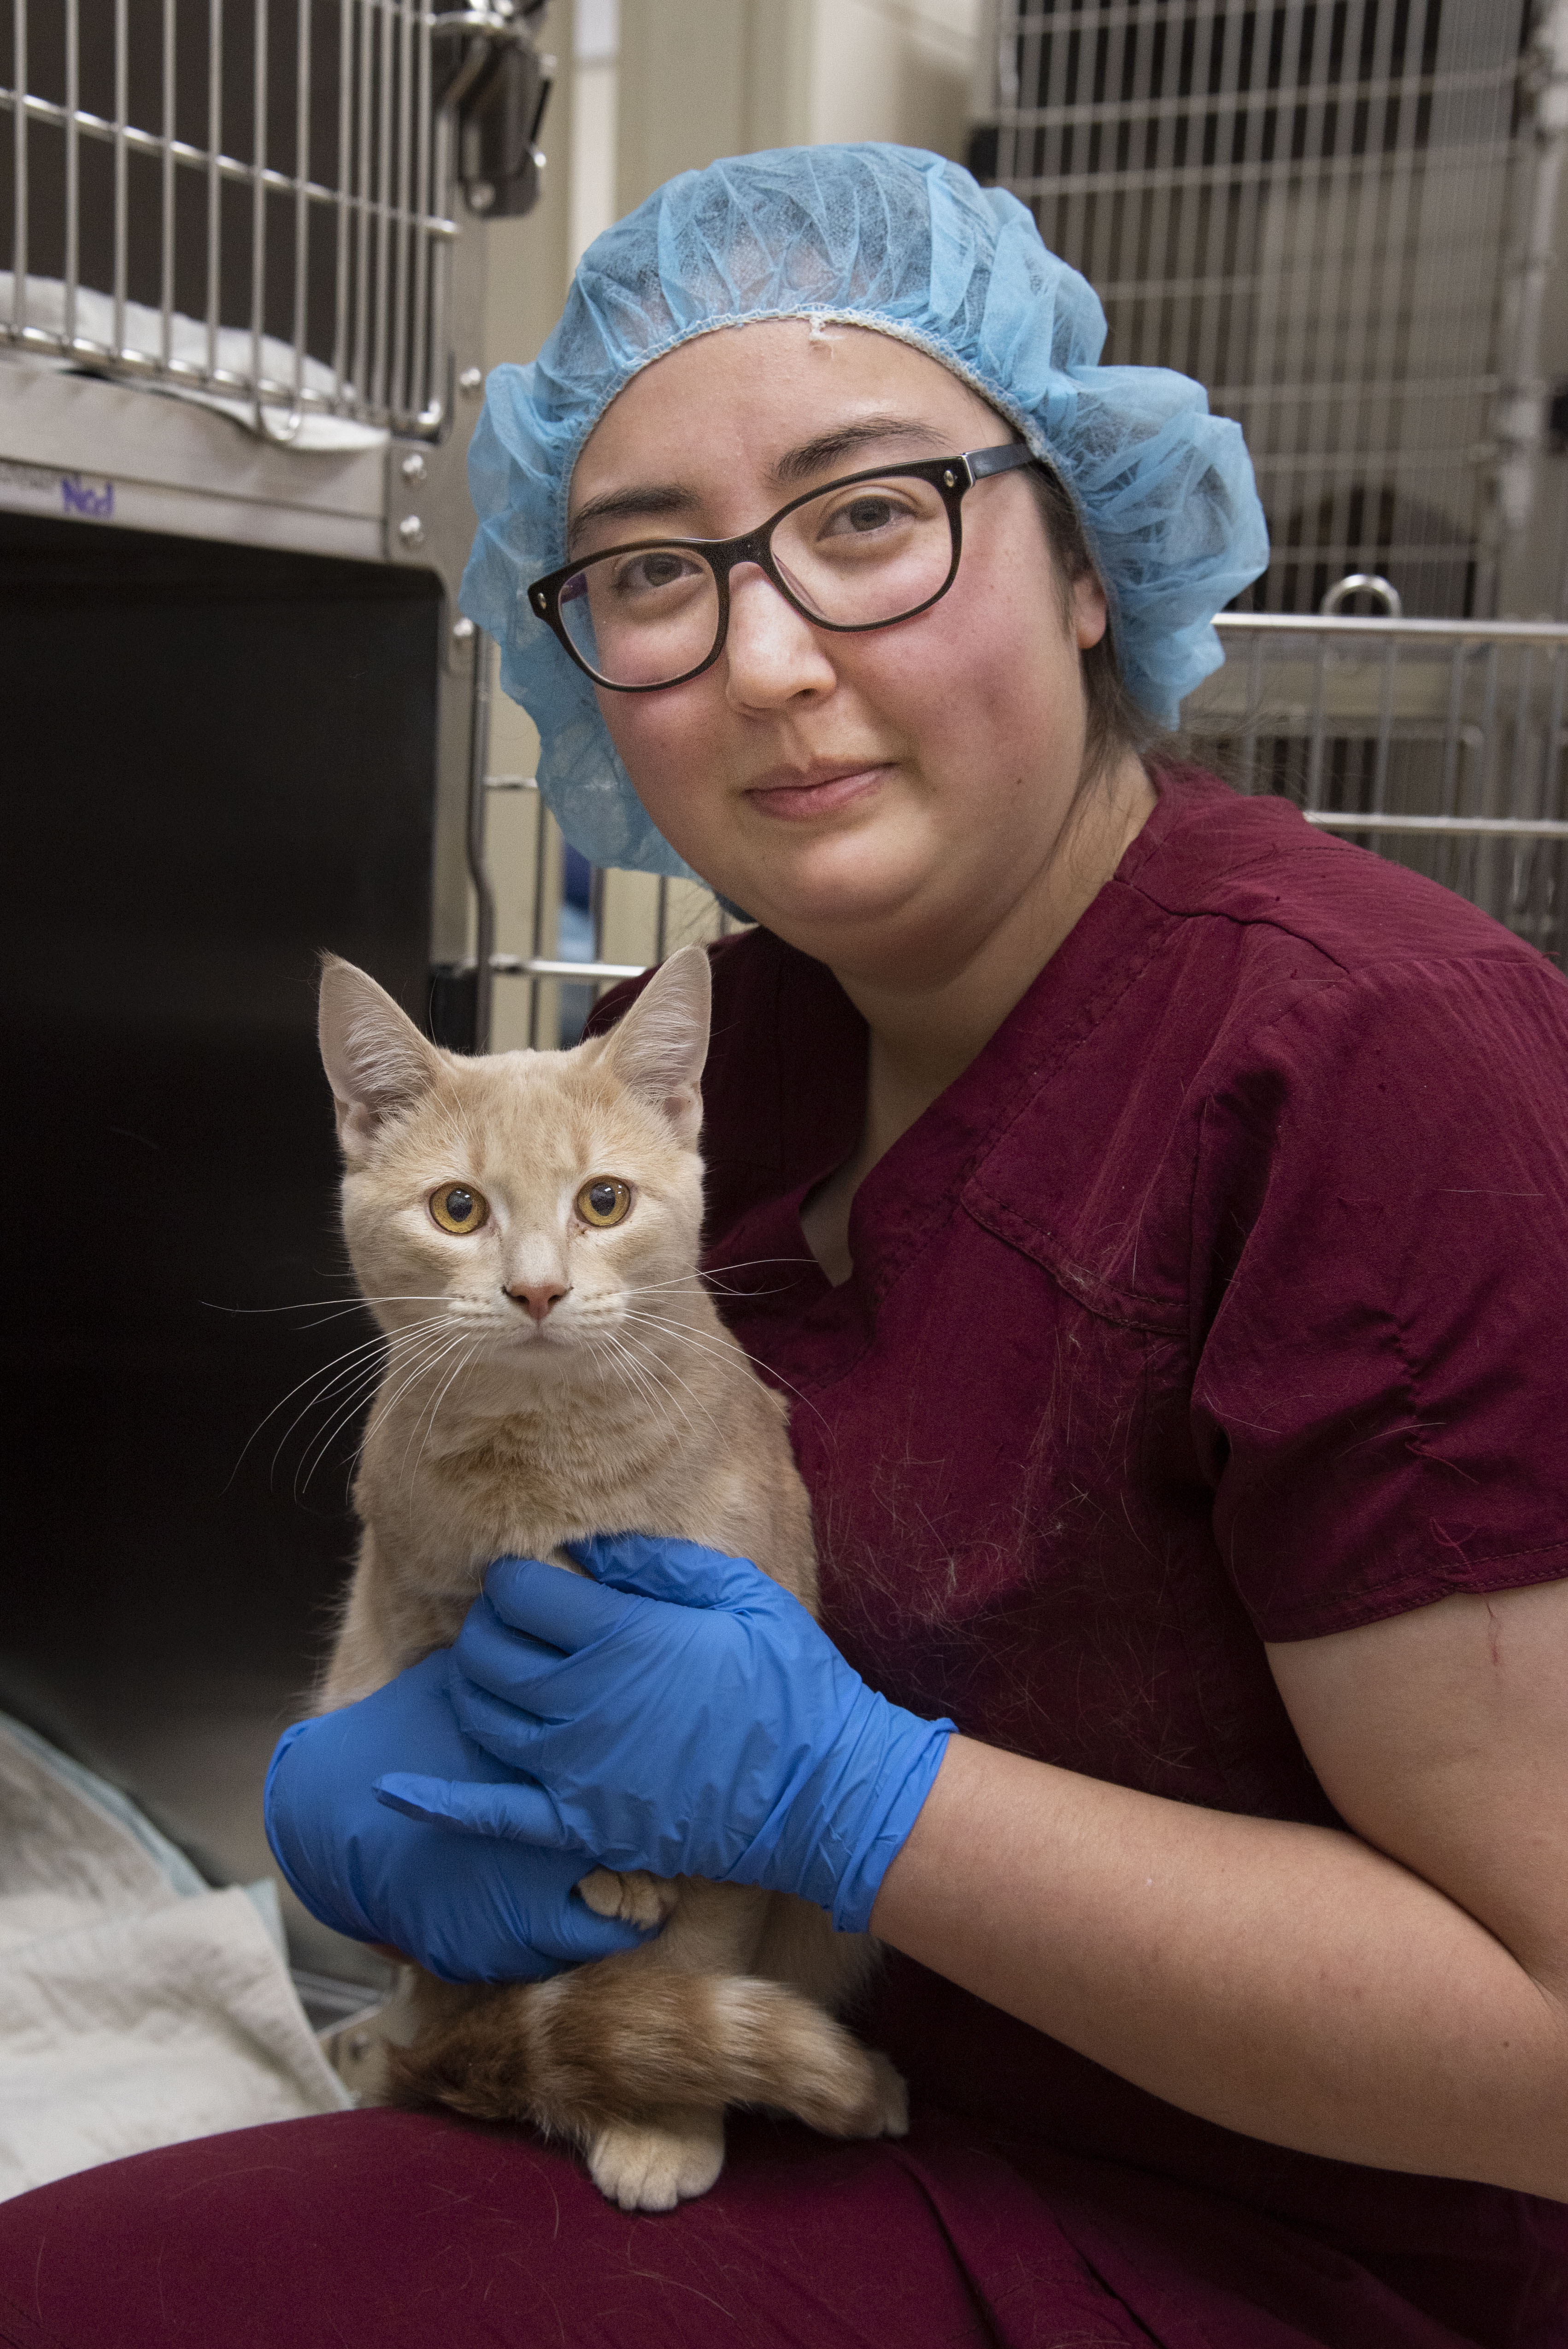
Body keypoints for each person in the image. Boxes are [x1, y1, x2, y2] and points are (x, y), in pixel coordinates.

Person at [2, 145, 1564, 2349]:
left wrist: (848, 1798)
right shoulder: (752, 1055)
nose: (760, 657)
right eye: (647, 571)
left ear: (1089, 555)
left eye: (865, 516)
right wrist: (364, 1810)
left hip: (1253, 2238)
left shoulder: (1377, 1064)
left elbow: (1545, 2059)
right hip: (760, 2085)